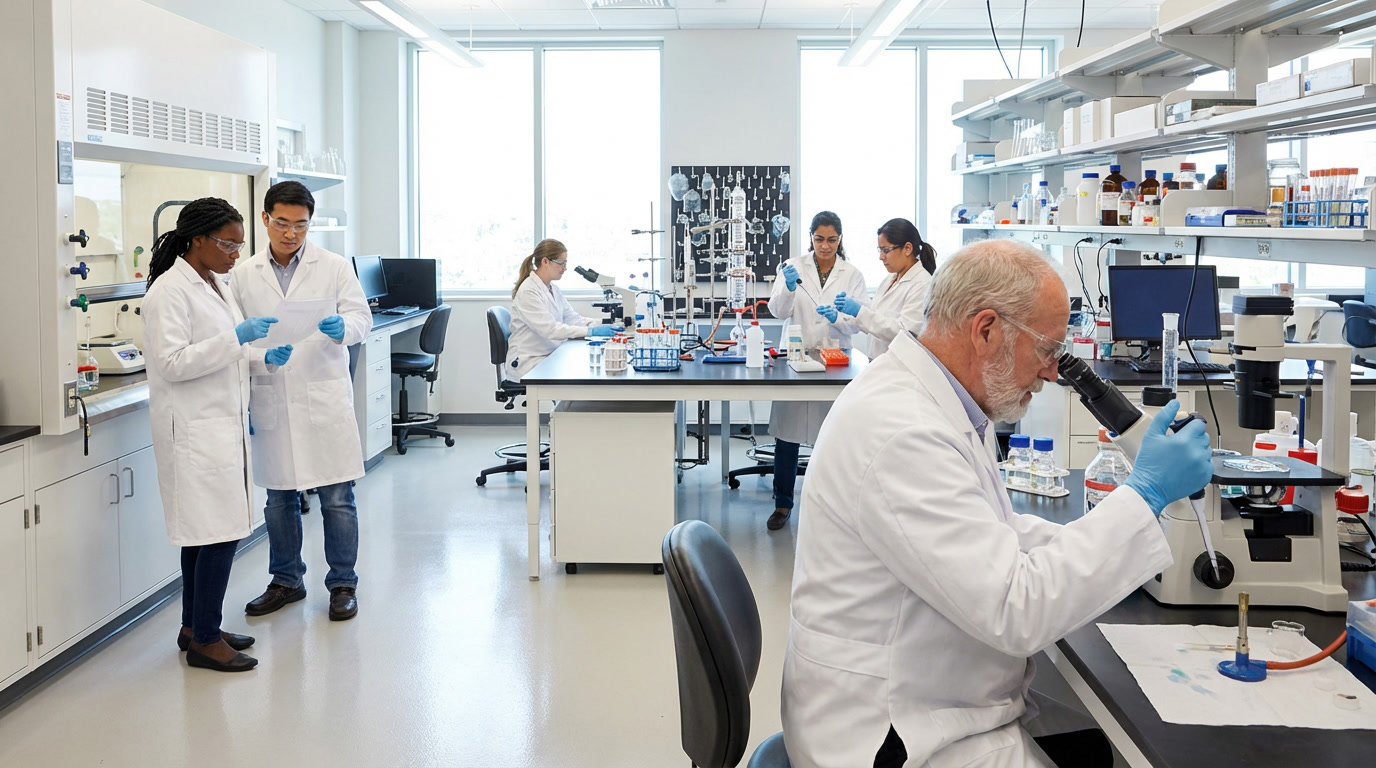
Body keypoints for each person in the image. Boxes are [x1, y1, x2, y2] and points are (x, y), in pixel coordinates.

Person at [780, 239, 1213, 767]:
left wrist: (1106, 529)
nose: (1054, 372)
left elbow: (990, 530)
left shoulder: (948, 397)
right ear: (985, 330)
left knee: (1096, 746)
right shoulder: (902, 431)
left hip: (940, 696)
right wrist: (1143, 498)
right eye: (1048, 350)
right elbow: (1017, 609)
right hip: (897, 730)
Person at [142, 198, 294, 672]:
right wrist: (239, 339)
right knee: (218, 534)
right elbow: (172, 362)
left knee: (203, 535)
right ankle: (206, 639)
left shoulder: (215, 283)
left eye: (238, 245)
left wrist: (259, 356)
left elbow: (223, 350)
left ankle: (194, 627)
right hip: (194, 432)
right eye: (228, 244)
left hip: (220, 425)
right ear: (198, 240)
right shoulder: (169, 292)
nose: (235, 254)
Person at [230, 181, 372, 622]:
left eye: (301, 225)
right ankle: (286, 580)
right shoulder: (242, 274)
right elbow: (232, 335)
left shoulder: (332, 266)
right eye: (283, 223)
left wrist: (342, 328)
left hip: (323, 392)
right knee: (280, 499)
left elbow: (361, 318)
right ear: (265, 219)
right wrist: (258, 355)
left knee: (336, 497)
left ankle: (342, 584)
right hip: (273, 391)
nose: (292, 234)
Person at [764, 211, 867, 531]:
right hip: (795, 358)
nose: (825, 246)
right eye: (820, 239)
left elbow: (857, 322)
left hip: (836, 361)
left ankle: (834, 505)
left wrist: (836, 316)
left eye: (832, 240)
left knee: (836, 436)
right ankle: (783, 504)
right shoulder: (793, 266)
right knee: (787, 436)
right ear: (811, 237)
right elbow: (777, 310)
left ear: (840, 239)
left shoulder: (852, 274)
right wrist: (789, 288)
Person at [506, 239, 615, 381]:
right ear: (545, 261)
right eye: (561, 263)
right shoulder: (528, 291)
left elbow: (573, 320)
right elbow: (551, 329)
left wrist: (608, 323)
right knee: (581, 374)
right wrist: (591, 332)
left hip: (548, 355)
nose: (565, 268)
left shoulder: (553, 289)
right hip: (529, 361)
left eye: (565, 263)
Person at [832, 217, 936, 358]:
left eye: (886, 250)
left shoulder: (922, 283)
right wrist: (845, 316)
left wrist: (860, 311)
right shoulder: (891, 279)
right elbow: (875, 321)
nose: (881, 257)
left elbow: (904, 332)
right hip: (879, 362)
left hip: (899, 368)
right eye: (880, 250)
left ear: (907, 248)